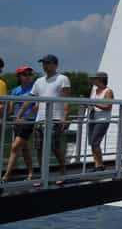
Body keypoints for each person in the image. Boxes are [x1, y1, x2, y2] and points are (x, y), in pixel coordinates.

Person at [17, 54, 71, 184]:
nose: (44, 65)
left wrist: (65, 118)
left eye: (47, 63)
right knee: (39, 148)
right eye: (43, 63)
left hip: (55, 118)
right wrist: (20, 115)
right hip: (40, 119)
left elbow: (67, 100)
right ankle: (42, 175)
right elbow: (30, 99)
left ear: (55, 65)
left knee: (53, 146)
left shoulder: (62, 78)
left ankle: (63, 171)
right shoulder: (39, 81)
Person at [2, 67, 36, 182]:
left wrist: (25, 117)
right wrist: (5, 119)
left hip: (29, 121)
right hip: (17, 122)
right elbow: (11, 109)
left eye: (29, 74)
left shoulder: (34, 89)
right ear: (19, 77)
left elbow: (37, 106)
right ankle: (31, 172)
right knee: (24, 149)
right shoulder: (15, 91)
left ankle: (6, 176)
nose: (28, 76)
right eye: (25, 74)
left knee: (15, 147)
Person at [87, 72, 113, 171]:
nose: (93, 80)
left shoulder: (108, 91)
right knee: (92, 142)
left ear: (100, 80)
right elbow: (92, 104)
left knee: (95, 142)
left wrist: (94, 103)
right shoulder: (94, 90)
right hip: (92, 118)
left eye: (94, 79)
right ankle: (97, 164)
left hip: (102, 120)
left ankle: (100, 164)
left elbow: (107, 106)